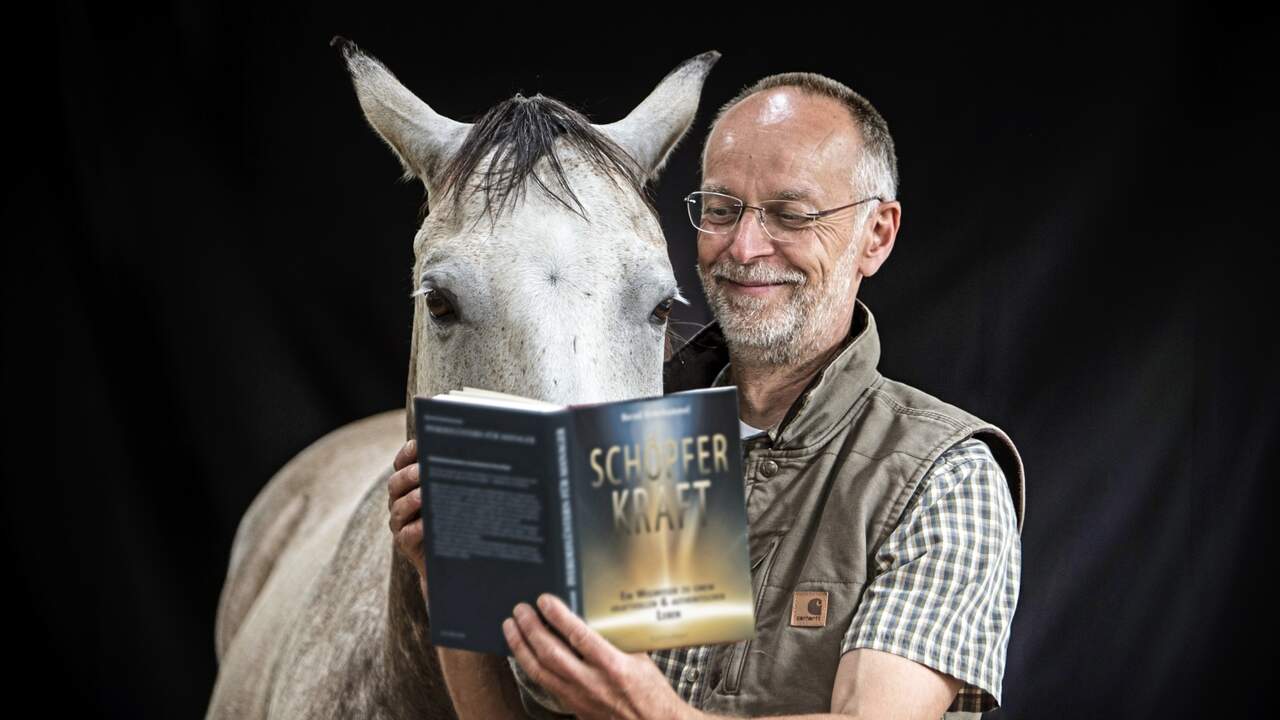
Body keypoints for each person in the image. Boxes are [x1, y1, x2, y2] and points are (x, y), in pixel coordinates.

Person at [388, 72, 1026, 720]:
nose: (744, 248)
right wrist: (445, 581)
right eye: (721, 209)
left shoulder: (945, 477)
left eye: (791, 213)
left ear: (877, 235)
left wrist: (646, 711)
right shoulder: (624, 442)